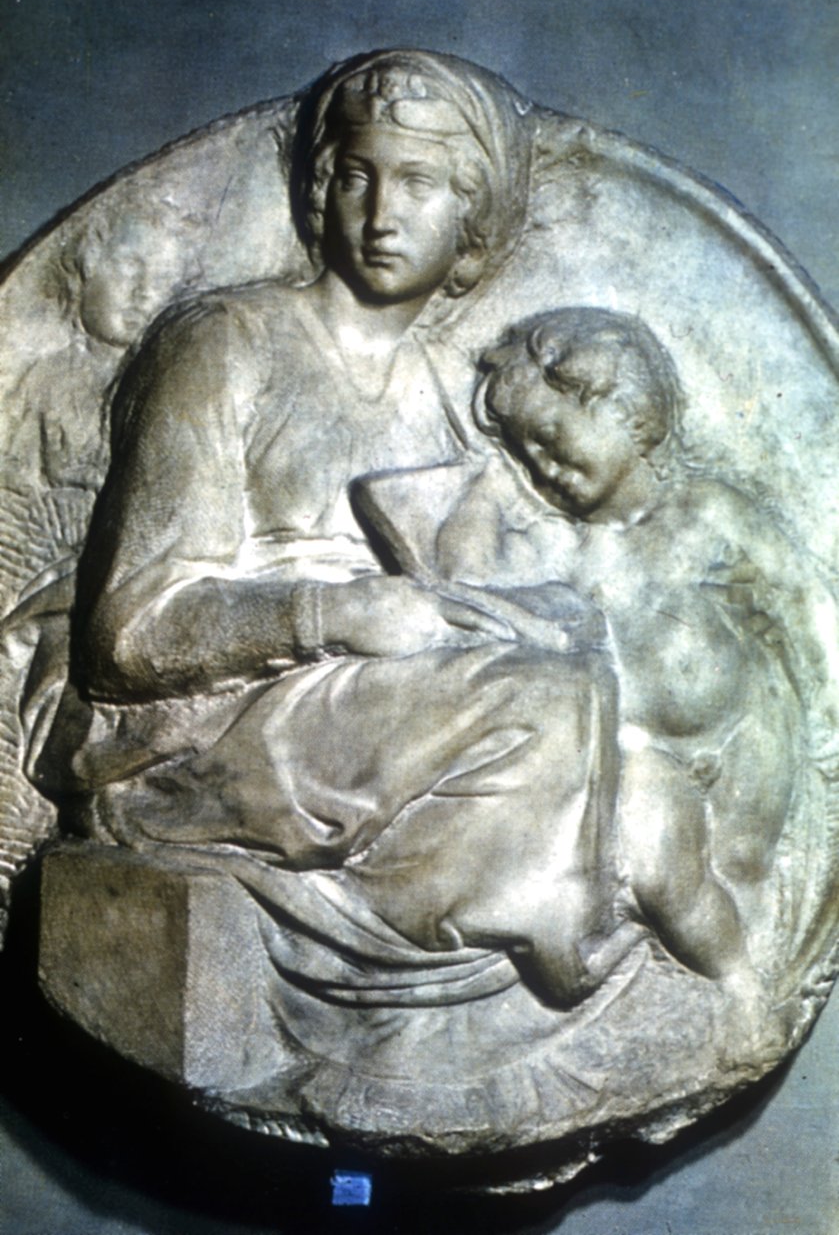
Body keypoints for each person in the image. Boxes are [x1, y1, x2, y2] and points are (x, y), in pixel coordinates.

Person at [36, 52, 635, 1012]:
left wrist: (511, 610)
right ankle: (498, 921)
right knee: (541, 702)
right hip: (206, 732)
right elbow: (127, 636)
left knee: (580, 668)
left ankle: (464, 913)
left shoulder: (446, 398)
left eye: (421, 183)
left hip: (370, 705)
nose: (383, 214)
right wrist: (332, 614)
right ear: (321, 192)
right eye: (359, 176)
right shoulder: (224, 343)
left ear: (474, 222)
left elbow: (452, 583)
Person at [438, 306, 839, 993]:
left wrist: (830, 738)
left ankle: (742, 986)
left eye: (550, 436)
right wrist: (486, 486)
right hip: (630, 784)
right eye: (525, 454)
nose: (543, 466)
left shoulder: (704, 518)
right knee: (636, 836)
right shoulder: (567, 552)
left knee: (687, 851)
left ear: (625, 410)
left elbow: (806, 619)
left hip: (729, 779)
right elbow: (466, 584)